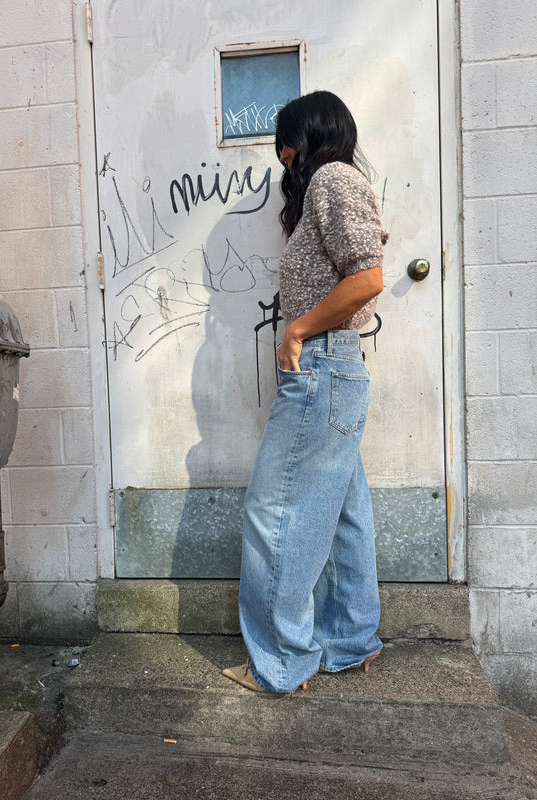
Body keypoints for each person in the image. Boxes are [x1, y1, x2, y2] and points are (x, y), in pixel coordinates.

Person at [222, 91, 388, 694]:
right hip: (334, 374)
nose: (282, 156)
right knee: (345, 516)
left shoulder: (331, 180)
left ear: (305, 139)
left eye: (285, 143)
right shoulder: (335, 186)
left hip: (321, 371)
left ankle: (281, 663)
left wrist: (297, 328)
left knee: (273, 513)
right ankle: (350, 641)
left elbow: (367, 277)